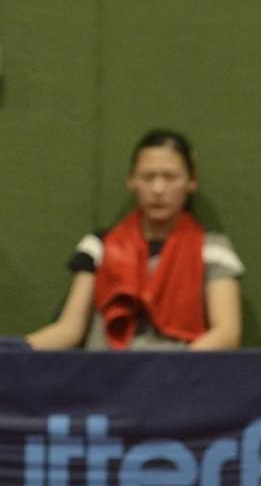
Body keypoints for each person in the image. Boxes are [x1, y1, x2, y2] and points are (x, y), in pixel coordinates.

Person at [26, 129, 244, 351]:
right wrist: (14, 349)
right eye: (147, 177)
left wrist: (173, 370)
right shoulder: (99, 246)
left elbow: (227, 332)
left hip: (178, 377)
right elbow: (69, 329)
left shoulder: (213, 250)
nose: (158, 189)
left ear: (191, 181)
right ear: (131, 180)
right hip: (105, 376)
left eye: (170, 177)